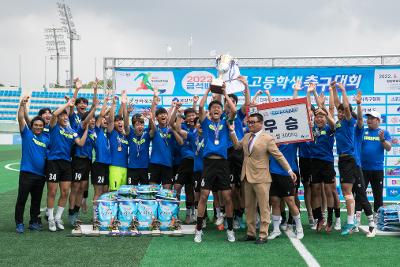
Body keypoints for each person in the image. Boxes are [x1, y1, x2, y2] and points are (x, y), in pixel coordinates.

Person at [229, 113, 297, 244]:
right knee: (249, 207)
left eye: (253, 122)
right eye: (249, 122)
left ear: (261, 123)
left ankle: (263, 234)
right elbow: (237, 146)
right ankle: (250, 233)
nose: (250, 124)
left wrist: (289, 170)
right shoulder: (247, 136)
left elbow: (279, 156)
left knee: (264, 206)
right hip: (247, 176)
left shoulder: (267, 138)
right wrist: (232, 131)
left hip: (262, 177)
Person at [194, 84, 238, 243]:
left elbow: (233, 110)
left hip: (223, 165)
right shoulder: (205, 123)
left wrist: (225, 93)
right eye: (213, 108)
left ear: (221, 110)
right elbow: (200, 106)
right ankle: (198, 230)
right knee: (204, 196)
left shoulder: (226, 123)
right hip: (208, 164)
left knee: (227, 197)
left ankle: (230, 229)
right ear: (210, 111)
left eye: (218, 107)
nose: (216, 109)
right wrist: (208, 91)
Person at [46, 98, 88, 232]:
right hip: (53, 162)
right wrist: (68, 105)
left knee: (65, 192)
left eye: (65, 115)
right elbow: (53, 115)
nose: (64, 117)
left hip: (66, 163)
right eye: (61, 115)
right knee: (52, 191)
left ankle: (58, 218)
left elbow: (80, 143)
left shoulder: (71, 130)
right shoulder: (53, 126)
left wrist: (86, 129)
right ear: (58, 118)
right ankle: (51, 219)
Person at [15, 96, 49, 233]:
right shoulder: (27, 134)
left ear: (43, 126)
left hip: (40, 175)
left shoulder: (46, 139)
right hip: (27, 173)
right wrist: (22, 105)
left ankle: (33, 222)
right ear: (32, 126)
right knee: (22, 200)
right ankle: (19, 223)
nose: (38, 127)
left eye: (41, 126)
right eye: (36, 125)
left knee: (36, 201)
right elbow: (21, 118)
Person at [332, 82, 359, 235]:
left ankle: (351, 221)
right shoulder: (339, 123)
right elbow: (337, 104)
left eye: (342, 112)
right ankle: (351, 220)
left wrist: (343, 90)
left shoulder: (349, 122)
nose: (340, 113)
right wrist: (333, 89)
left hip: (349, 158)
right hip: (343, 160)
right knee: (345, 190)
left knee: (347, 191)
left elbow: (346, 107)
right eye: (339, 112)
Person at [68, 100, 98, 226]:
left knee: (82, 188)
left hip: (87, 161)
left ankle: (76, 213)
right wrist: (93, 109)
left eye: (93, 120)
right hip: (78, 160)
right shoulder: (80, 128)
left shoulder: (93, 132)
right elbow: (85, 121)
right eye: (90, 119)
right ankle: (71, 215)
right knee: (75, 188)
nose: (92, 121)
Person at [352, 90, 376, 237]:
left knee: (361, 195)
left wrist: (358, 105)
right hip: (346, 165)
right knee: (354, 195)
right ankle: (354, 223)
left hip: (356, 165)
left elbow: (359, 119)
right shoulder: (344, 128)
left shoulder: (358, 130)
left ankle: (372, 224)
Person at [361, 110, 391, 216]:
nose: (368, 120)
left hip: (377, 169)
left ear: (377, 120)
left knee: (378, 195)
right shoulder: (362, 132)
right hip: (363, 169)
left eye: (371, 118)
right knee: (360, 194)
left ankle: (378, 218)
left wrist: (382, 140)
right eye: (368, 118)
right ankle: (357, 217)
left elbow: (389, 148)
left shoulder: (384, 132)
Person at [107, 92, 129, 191]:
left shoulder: (125, 135)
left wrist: (124, 103)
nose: (120, 122)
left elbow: (122, 117)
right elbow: (112, 120)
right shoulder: (112, 133)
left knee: (123, 193)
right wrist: (114, 105)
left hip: (125, 167)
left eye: (121, 121)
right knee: (114, 192)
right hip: (115, 166)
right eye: (117, 121)